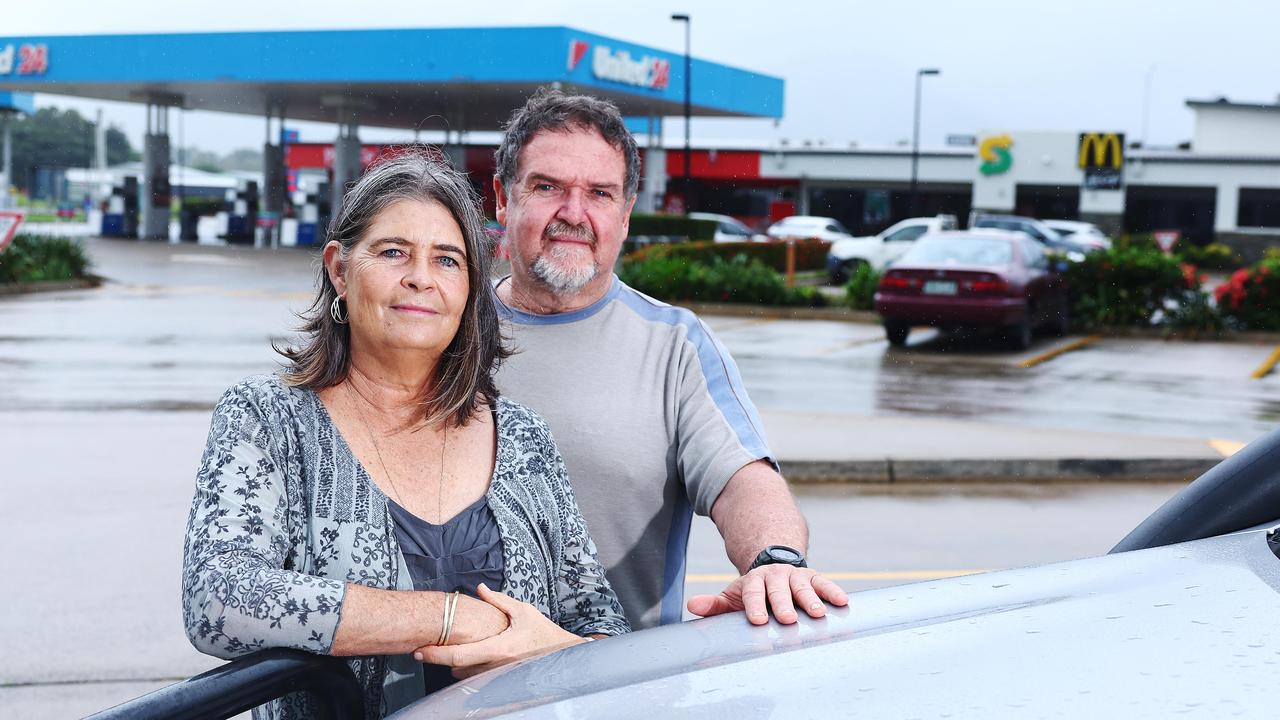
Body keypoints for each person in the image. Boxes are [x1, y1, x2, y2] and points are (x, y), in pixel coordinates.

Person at [181, 151, 628, 720]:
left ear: (469, 287)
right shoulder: (269, 419)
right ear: (339, 269)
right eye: (394, 252)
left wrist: (551, 650)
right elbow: (218, 600)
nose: (420, 277)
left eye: (447, 259)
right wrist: (452, 616)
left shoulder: (522, 437)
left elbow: (601, 629)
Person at [478, 89, 847, 633]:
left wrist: (775, 559)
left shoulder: (677, 347)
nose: (573, 214)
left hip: (615, 687)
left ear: (625, 215)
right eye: (547, 187)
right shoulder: (444, 330)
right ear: (503, 200)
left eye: (600, 194)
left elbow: (744, 478)